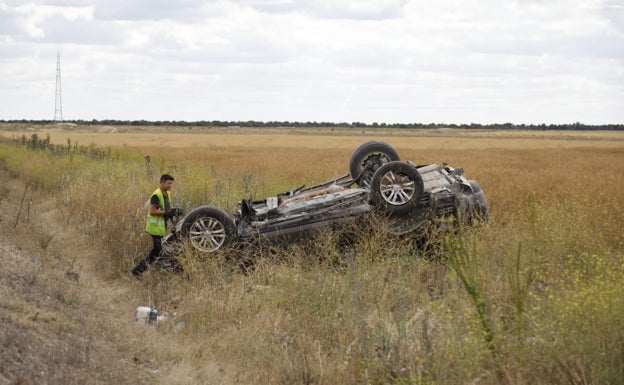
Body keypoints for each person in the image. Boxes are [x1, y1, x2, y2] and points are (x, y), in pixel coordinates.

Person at [132, 174, 177, 277]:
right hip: (154, 227)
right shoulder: (156, 195)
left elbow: (167, 209)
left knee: (158, 250)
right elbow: (153, 211)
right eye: (168, 183)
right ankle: (137, 271)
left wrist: (174, 212)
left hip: (161, 227)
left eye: (171, 183)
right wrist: (166, 213)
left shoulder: (167, 193)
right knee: (157, 250)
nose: (170, 185)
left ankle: (142, 270)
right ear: (162, 183)